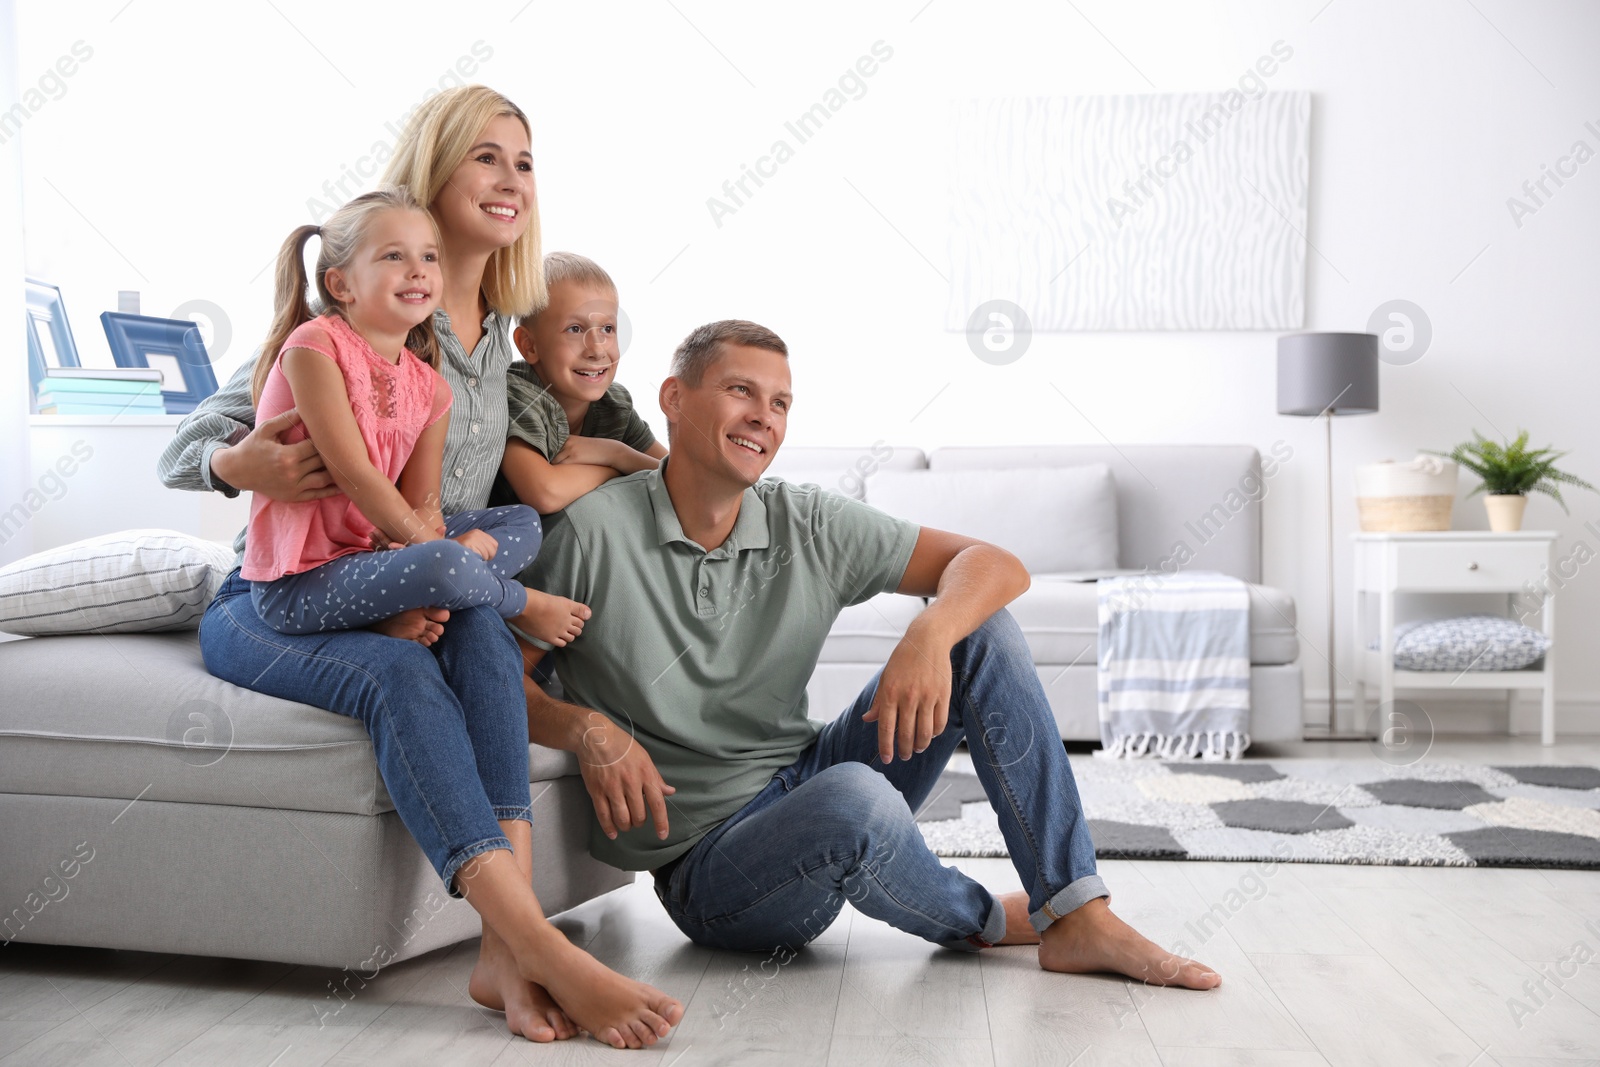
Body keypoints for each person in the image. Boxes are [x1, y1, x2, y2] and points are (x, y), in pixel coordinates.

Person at [157, 86, 680, 1049]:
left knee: (481, 622)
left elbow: (600, 452)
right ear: (433, 173)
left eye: (524, 163)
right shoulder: (362, 320)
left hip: (411, 580)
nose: (510, 179)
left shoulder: (509, 344)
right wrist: (241, 463)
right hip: (280, 596)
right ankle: (538, 947)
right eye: (486, 157)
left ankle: (499, 956)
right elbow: (187, 444)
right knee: (409, 663)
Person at [518, 320, 1223, 989]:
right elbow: (503, 683)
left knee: (981, 632)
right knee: (854, 799)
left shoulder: (808, 519)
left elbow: (994, 563)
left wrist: (930, 630)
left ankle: (1078, 911)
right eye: (740, 390)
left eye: (781, 402)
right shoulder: (590, 534)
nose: (764, 414)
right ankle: (980, 919)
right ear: (674, 397)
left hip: (803, 770)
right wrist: (587, 728)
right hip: (711, 866)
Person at [241, 187, 584, 648]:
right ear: (341, 285)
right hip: (300, 581)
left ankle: (411, 599)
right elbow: (355, 475)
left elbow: (425, 504)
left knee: (522, 523)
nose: (418, 270)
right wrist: (433, 549)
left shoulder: (431, 388)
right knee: (445, 563)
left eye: (428, 256)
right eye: (393, 257)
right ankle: (518, 602)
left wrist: (428, 539)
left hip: (379, 556)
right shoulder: (315, 347)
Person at [492, 251, 668, 517]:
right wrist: (614, 468)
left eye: (607, 329)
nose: (597, 350)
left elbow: (676, 477)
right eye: (575, 329)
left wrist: (616, 454)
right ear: (529, 345)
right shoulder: (518, 397)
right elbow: (544, 493)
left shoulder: (615, 404)